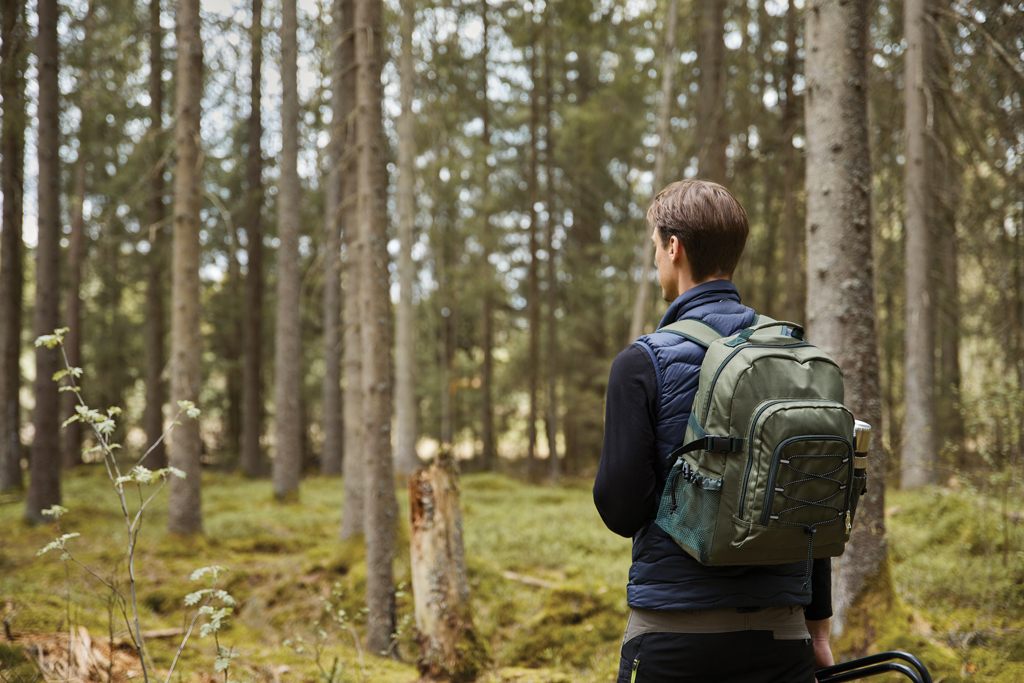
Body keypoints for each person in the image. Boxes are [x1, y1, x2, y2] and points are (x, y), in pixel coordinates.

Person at [594, 180, 834, 682]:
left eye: (655, 245)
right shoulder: (793, 357)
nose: (655, 258)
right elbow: (811, 499)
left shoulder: (641, 363)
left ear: (673, 247)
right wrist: (818, 633)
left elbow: (621, 509)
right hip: (781, 637)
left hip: (674, 636)